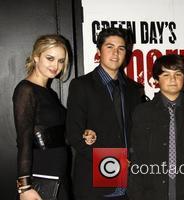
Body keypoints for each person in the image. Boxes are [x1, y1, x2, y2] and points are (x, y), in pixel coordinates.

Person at [66, 27, 142, 200]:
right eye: (109, 47)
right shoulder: (81, 85)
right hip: (95, 185)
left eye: (121, 48)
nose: (115, 53)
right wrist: (115, 164)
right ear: (99, 50)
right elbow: (74, 135)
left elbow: (138, 134)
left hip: (131, 185)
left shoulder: (134, 89)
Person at [129, 54, 184, 200]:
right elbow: (137, 158)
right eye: (166, 74)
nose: (173, 79)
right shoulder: (142, 112)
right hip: (152, 192)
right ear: (157, 79)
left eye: (178, 74)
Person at [13, 34, 72, 200]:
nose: (56, 66)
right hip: (43, 172)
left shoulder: (50, 93)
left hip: (58, 172)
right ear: (36, 57)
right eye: (50, 58)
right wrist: (24, 187)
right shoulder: (26, 90)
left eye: (61, 61)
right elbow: (23, 140)